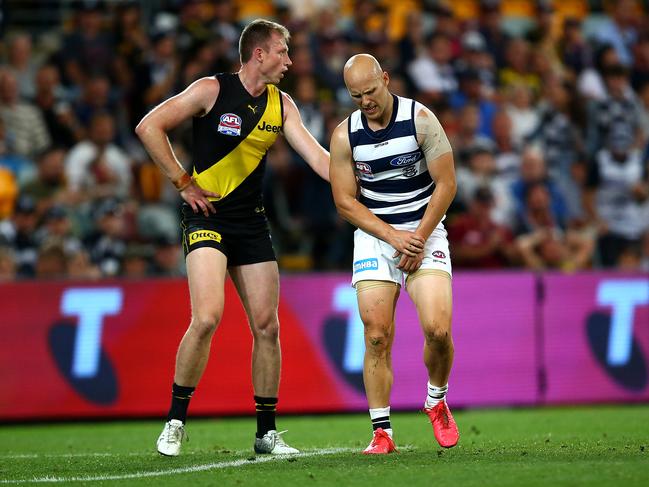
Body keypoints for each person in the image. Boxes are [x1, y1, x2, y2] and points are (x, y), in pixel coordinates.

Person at [135, 19, 329, 457]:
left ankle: (266, 433)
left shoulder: (283, 105)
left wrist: (358, 176)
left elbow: (318, 159)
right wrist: (182, 181)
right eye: (283, 52)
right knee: (206, 317)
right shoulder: (211, 90)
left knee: (267, 326)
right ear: (259, 53)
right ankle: (175, 422)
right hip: (207, 217)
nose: (289, 61)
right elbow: (149, 126)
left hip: (251, 223)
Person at [329, 54, 459, 454]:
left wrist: (417, 237)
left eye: (370, 91)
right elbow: (345, 202)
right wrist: (391, 236)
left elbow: (447, 183)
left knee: (437, 329)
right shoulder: (343, 135)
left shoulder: (421, 119)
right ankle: (381, 432)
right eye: (356, 96)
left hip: (425, 231)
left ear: (385, 79)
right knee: (376, 336)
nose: (365, 101)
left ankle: (436, 401)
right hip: (375, 237)